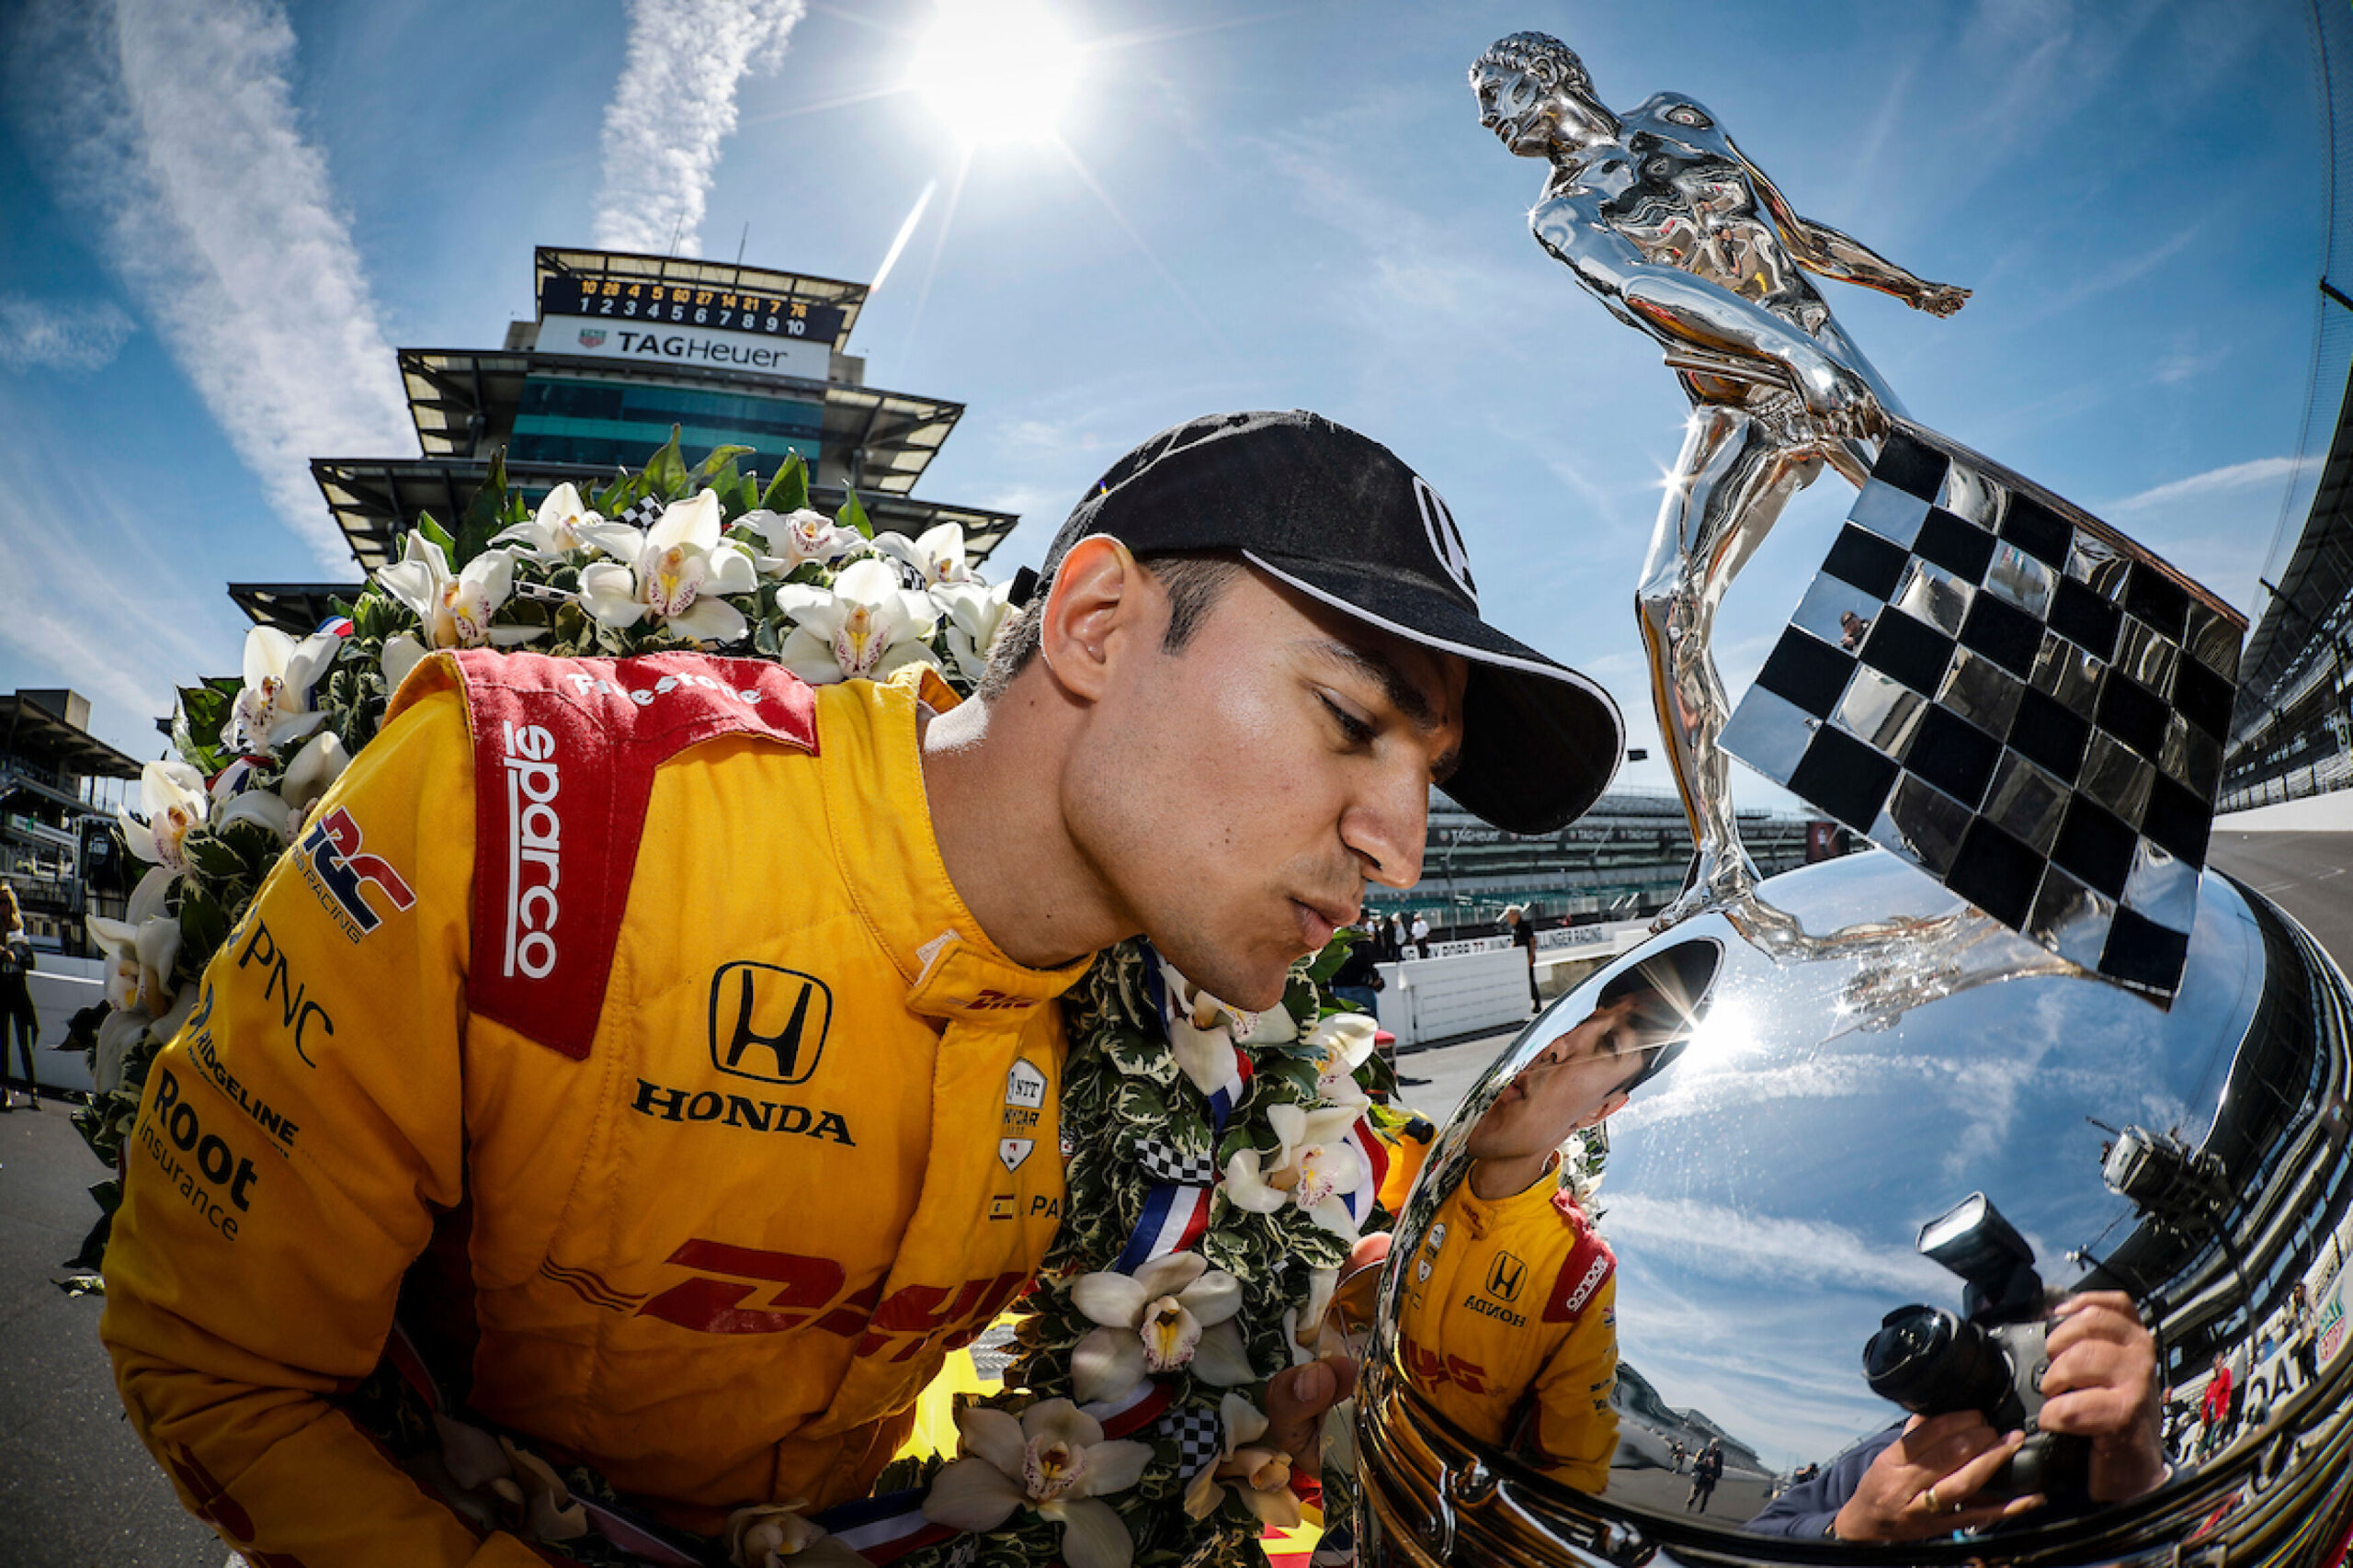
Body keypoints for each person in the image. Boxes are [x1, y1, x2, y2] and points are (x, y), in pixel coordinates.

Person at [97, 409, 1628, 1565]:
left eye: (1429, 776)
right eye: (1352, 721)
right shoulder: (529, 801)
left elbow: (973, 1402)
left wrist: (1264, 1406)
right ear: (1096, 625)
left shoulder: (1188, 1062)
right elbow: (221, 1372)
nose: (1401, 847)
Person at [1468, 32, 1967, 918]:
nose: (1487, 118)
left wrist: (1906, 287)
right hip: (1738, 403)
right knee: (1667, 602)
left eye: (1495, 91)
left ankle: (1982, 758)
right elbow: (1643, 292)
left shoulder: (1679, 117)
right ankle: (1719, 857)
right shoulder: (1561, 214)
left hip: (1824, 366)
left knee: (1945, 544)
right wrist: (1790, 356)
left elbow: (1796, 237)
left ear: (1545, 75)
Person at [1394, 941, 1714, 1494]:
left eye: (1607, 1045)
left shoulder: (1577, 1272)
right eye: (1584, 1021)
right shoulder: (1411, 1164)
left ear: (1601, 1111)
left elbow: (1573, 1476)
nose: (1558, 1046)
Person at [1747, 1293, 2167, 1540]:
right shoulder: (1885, 1460)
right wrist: (1849, 1528)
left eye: (2028, 1343)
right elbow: (1759, 1536)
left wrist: (2142, 1478)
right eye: (1990, 1338)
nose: (2006, 1350)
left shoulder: (2097, 1432)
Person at [0, 933, 35, 1111]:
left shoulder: (19, 939)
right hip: (4, 993)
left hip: (18, 994)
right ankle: (4, 1090)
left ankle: (32, 1089)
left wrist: (15, 959)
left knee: (23, 1044)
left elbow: (30, 963)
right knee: (3, 1046)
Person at [1328, 921, 1385, 1020]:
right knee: (1367, 1023)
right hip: (1360, 985)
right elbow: (1366, 959)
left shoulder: (1333, 935)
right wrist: (1375, 977)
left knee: (1345, 1023)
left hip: (1340, 986)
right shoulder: (1360, 935)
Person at [1505, 903, 1540, 1007]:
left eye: (1509, 916)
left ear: (1516, 915)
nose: (1508, 918)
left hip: (1527, 958)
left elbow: (1532, 941)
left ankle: (1537, 1004)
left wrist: (1531, 957)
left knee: (1530, 981)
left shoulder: (1524, 927)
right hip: (1520, 959)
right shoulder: (1515, 928)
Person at [1687, 1438, 1723, 1513]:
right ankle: (1687, 1508)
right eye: (1713, 1446)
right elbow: (1695, 1465)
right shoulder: (1703, 1451)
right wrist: (1702, 1463)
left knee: (1705, 1498)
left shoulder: (1719, 1456)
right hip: (1700, 1478)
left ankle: (1701, 1512)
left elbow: (1719, 1470)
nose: (1714, 1448)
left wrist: (1713, 1474)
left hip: (1710, 1481)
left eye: (1716, 1447)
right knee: (1693, 1495)